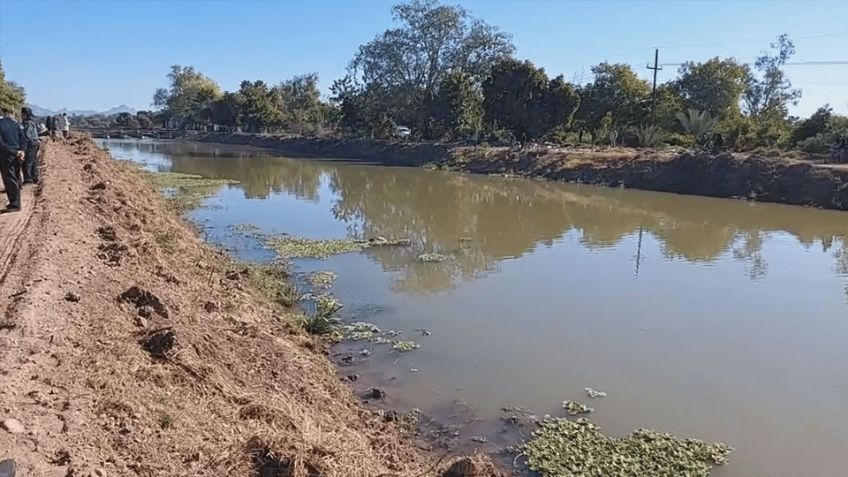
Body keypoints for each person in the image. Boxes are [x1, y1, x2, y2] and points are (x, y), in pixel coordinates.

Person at [0, 106, 25, 212]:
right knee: (16, 177)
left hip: (6, 155)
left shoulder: (1, 124)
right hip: (17, 154)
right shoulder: (17, 124)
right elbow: (23, 138)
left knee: (9, 179)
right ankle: (15, 202)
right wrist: (21, 151)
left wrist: (14, 152)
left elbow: (1, 144)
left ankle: (15, 204)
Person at [20, 107, 40, 185]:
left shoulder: (28, 123)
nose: (21, 115)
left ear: (25, 115)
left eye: (22, 114)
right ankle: (34, 177)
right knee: (33, 161)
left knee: (27, 161)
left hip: (30, 144)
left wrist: (23, 149)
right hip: (34, 143)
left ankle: (28, 179)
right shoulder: (31, 122)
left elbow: (26, 136)